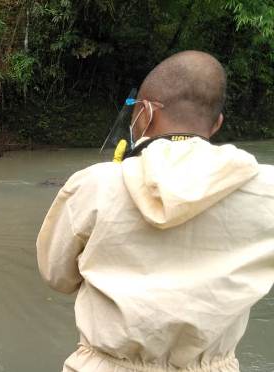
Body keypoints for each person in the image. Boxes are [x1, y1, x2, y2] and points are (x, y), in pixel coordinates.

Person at [37, 50, 274, 372]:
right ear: (217, 123)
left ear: (144, 113)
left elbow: (57, 276)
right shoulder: (266, 189)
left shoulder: (96, 184)